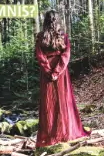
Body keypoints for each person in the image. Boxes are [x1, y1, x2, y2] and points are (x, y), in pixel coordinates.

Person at [34, 10, 87, 148]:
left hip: (49, 73)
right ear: (57, 20)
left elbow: (40, 57)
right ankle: (64, 133)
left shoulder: (41, 37)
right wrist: (56, 72)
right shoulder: (62, 36)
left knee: (49, 104)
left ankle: (51, 136)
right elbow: (66, 55)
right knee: (62, 102)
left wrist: (49, 72)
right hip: (60, 72)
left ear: (45, 21)